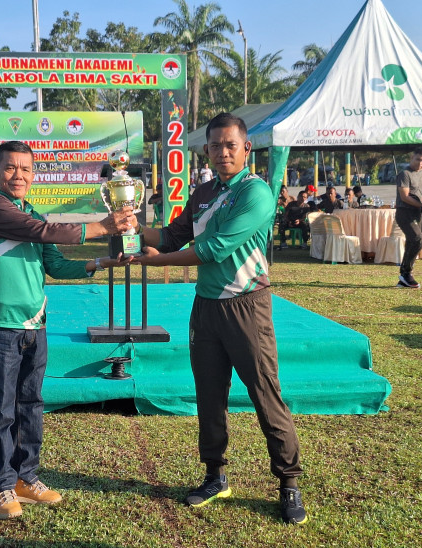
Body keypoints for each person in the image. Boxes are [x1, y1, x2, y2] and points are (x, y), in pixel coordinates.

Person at [130, 113, 307, 525]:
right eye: (215, 145)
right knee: (209, 396)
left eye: (231, 145)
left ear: (247, 149)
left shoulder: (256, 193)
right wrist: (133, 228)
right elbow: (173, 235)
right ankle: (215, 475)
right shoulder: (204, 191)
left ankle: (289, 482)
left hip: (247, 306)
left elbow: (211, 250)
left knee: (266, 394)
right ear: (206, 150)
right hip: (206, 307)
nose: (223, 152)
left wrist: (152, 262)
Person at [0, 141, 135, 520]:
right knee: (1, 409)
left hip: (35, 325)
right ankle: (0, 486)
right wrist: (101, 226)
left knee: (30, 405)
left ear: (34, 175)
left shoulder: (32, 212)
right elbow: (43, 231)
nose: (18, 175)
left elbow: (57, 266)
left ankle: (25, 478)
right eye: (10, 168)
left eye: (25, 169)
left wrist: (105, 261)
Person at [394, 147, 422, 289]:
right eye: (418, 159)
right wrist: (421, 206)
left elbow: (418, 193)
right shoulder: (404, 174)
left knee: (412, 242)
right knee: (418, 240)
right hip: (404, 212)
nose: (420, 163)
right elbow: (405, 197)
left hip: (417, 213)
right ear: (412, 157)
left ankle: (404, 278)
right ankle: (406, 273)